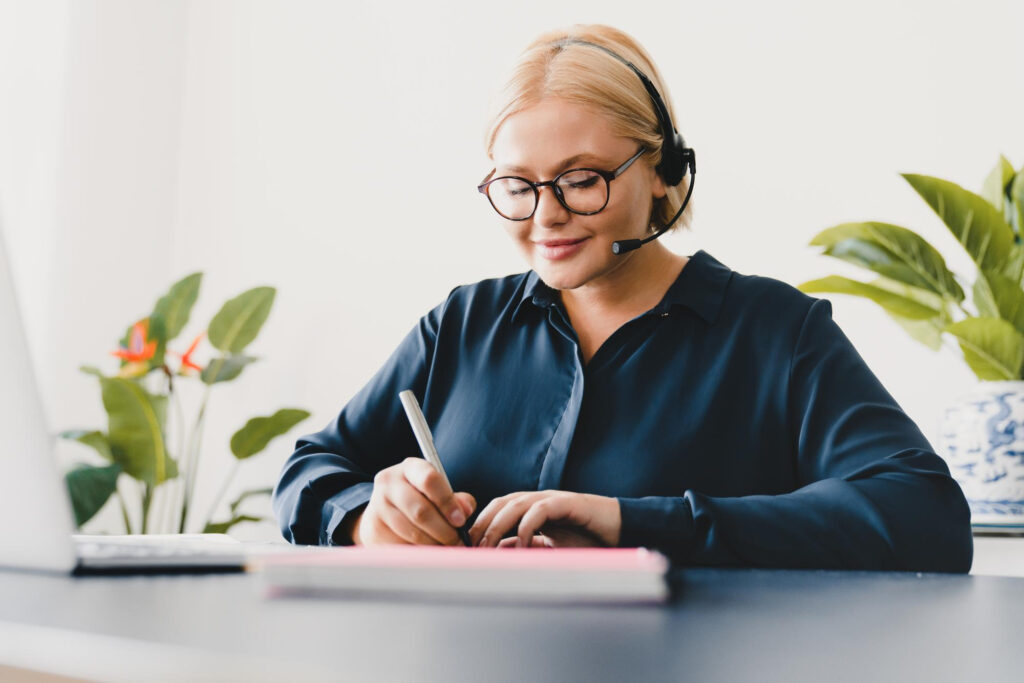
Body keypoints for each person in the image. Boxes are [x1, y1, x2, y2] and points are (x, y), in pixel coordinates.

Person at [272, 24, 973, 571]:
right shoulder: (460, 325)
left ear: (664, 172)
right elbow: (311, 469)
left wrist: (628, 520)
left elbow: (925, 516)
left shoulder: (775, 332)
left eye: (581, 180)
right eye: (517, 186)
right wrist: (368, 515)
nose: (545, 217)